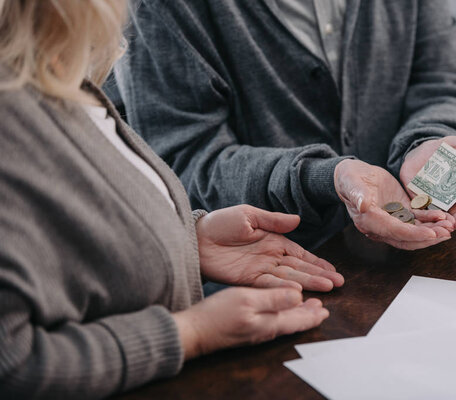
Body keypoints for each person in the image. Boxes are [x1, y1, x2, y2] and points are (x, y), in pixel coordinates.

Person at [0, 1, 343, 398]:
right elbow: (14, 364)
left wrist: (188, 239)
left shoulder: (59, 77)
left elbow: (65, 243)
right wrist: (190, 333)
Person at [113, 0, 456, 250]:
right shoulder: (159, 7)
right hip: (273, 272)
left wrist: (429, 141)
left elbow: (446, 82)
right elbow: (182, 161)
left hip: (413, 263)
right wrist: (324, 178)